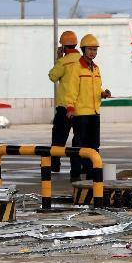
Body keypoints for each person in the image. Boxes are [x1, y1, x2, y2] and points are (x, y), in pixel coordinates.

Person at [63, 33, 111, 181]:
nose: (93, 52)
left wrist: (103, 93)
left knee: (94, 145)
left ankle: (91, 172)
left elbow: (96, 89)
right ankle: (76, 172)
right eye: (90, 49)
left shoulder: (96, 69)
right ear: (83, 49)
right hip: (81, 113)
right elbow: (71, 90)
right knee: (79, 144)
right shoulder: (77, 68)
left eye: (95, 50)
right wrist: (70, 108)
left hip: (94, 113)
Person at [47, 30, 81, 172]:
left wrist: (58, 57)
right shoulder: (83, 60)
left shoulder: (63, 62)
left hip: (64, 107)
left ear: (64, 47)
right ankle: (78, 168)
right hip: (80, 107)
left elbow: (52, 76)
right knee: (79, 140)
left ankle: (55, 165)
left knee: (58, 138)